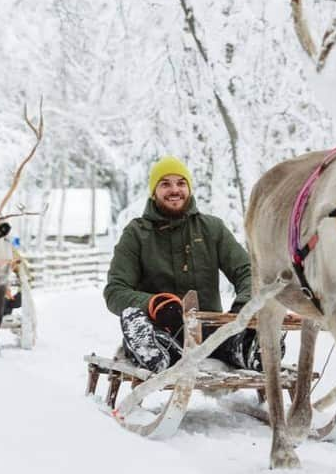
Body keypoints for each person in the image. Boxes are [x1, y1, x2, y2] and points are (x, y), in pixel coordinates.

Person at [104, 155, 269, 373]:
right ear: (154, 192)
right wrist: (154, 304)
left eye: (181, 183)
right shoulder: (136, 233)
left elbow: (248, 271)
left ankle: (252, 349)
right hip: (161, 329)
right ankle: (154, 352)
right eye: (165, 184)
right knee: (136, 320)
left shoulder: (212, 228)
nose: (174, 190)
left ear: (189, 188)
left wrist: (244, 304)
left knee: (235, 336)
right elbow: (115, 291)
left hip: (211, 331)